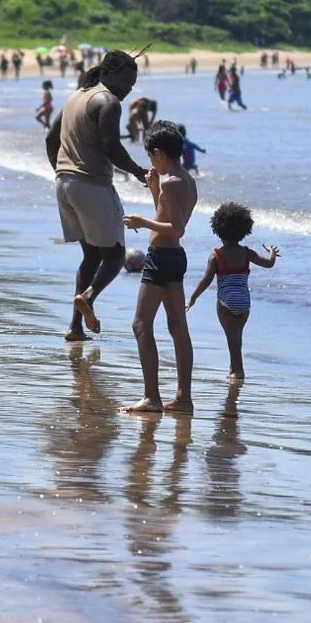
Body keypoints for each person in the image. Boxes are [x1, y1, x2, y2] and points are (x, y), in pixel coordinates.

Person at [46, 51, 151, 341]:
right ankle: (89, 297)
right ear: (109, 74)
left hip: (64, 184)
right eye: (127, 80)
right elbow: (112, 148)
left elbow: (50, 140)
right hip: (90, 184)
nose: (129, 88)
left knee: (91, 256)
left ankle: (75, 327)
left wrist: (61, 171)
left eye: (133, 83)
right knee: (116, 254)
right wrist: (140, 172)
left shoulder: (76, 96)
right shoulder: (108, 101)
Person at [118, 122, 198, 414]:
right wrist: (154, 190)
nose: (152, 163)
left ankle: (151, 397)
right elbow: (167, 212)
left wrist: (142, 222)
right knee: (178, 327)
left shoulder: (171, 183)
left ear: (159, 153)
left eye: (152, 157)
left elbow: (175, 228)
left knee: (141, 325)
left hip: (161, 256)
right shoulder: (186, 180)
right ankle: (183, 397)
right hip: (175, 258)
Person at [186, 201, 279, 386]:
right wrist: (272, 253)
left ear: (218, 229)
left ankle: (238, 371)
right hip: (244, 301)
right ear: (244, 229)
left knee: (232, 337)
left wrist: (193, 297)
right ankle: (234, 368)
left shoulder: (216, 255)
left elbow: (206, 280)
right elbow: (269, 264)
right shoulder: (247, 253)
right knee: (237, 336)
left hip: (226, 301)